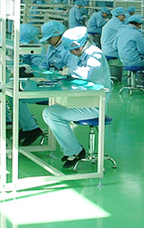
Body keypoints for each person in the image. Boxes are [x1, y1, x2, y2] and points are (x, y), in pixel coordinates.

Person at [42, 26, 111, 169]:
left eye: (71, 50)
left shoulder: (95, 55)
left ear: (77, 46)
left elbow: (88, 74)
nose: (70, 53)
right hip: (83, 100)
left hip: (95, 105)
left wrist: (70, 71)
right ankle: (72, 149)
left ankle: (75, 151)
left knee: (53, 115)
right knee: (48, 112)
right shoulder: (82, 54)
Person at [116, 15, 144, 94]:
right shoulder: (137, 34)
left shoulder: (121, 31)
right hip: (134, 61)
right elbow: (143, 50)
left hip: (123, 60)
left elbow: (115, 45)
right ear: (139, 24)